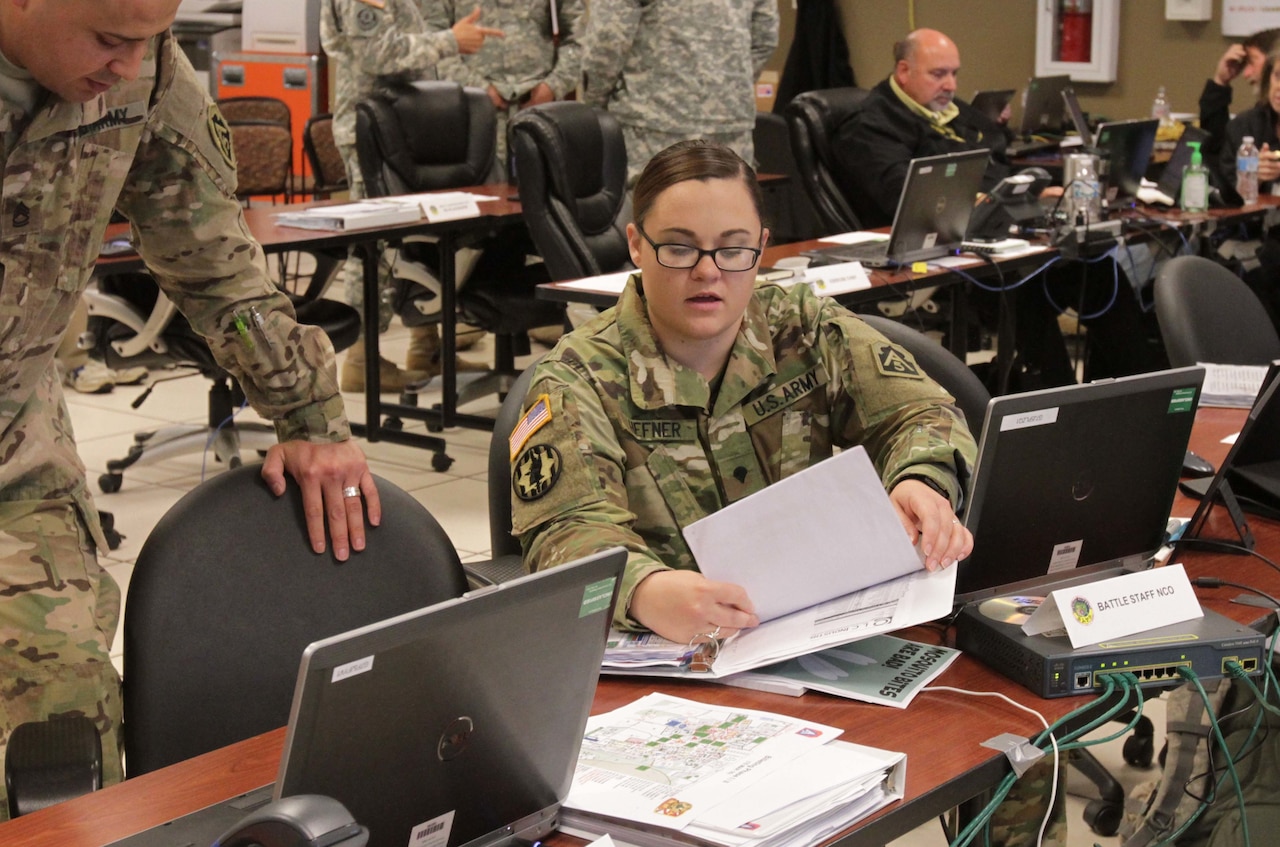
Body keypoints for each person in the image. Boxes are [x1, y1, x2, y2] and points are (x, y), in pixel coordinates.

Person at [0, 0, 378, 818]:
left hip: (14, 450)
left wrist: (309, 418)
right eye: (109, 39)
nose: (129, 66)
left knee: (60, 723)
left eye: (150, 39)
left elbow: (214, 265)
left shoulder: (148, 77)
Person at [508, 139, 975, 644]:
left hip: (817, 627)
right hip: (669, 655)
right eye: (680, 247)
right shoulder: (577, 377)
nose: (708, 271)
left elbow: (919, 413)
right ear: (636, 244)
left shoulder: (803, 326)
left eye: (732, 249)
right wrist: (643, 591)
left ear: (761, 246)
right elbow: (564, 531)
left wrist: (920, 479)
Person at [319, 0, 502, 393]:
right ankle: (361, 359)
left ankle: (427, 346)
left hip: (405, 126)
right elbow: (377, 52)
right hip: (374, 132)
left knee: (420, 243)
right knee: (376, 248)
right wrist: (449, 41)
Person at [581, 0, 778, 185]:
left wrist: (596, 106)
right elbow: (766, 37)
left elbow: (607, 39)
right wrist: (726, 90)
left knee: (655, 214)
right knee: (729, 214)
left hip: (653, 123)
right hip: (730, 126)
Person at [831, 28, 1010, 230]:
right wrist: (985, 200)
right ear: (904, 72)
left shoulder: (950, 108)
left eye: (954, 73)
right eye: (938, 74)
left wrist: (1023, 193)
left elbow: (994, 150)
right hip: (915, 238)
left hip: (982, 223)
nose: (951, 85)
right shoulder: (868, 126)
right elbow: (908, 197)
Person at [422, 0, 585, 180]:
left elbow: (578, 36)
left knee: (543, 196)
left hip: (538, 110)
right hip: (474, 113)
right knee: (479, 198)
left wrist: (554, 85)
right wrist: (475, 87)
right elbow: (434, 39)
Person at [1200, 28, 1280, 168]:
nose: (1246, 73)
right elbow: (1218, 153)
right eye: (1278, 76)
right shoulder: (1254, 121)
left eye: (1251, 61)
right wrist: (1220, 82)